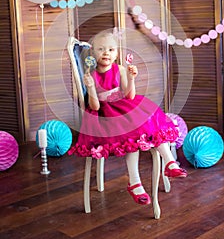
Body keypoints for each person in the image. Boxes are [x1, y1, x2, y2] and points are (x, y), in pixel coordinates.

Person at [69, 30, 187, 205]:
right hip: (106, 114)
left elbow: (130, 96)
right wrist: (91, 87)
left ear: (116, 53)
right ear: (93, 53)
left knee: (151, 119)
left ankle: (170, 163)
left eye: (110, 49)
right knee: (132, 133)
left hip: (125, 107)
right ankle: (135, 182)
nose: (106, 53)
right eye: (101, 49)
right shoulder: (92, 75)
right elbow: (95, 106)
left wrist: (131, 79)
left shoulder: (121, 69)